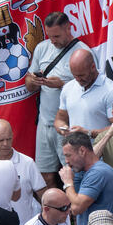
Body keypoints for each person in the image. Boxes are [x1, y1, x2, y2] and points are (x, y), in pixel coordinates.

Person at [26, 11, 92, 187]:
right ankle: (55, 211)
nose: (53, 40)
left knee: (73, 174)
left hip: (68, 126)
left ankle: (74, 212)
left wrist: (62, 85)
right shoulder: (42, 48)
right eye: (50, 36)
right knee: (45, 175)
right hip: (44, 123)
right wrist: (33, 81)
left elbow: (91, 87)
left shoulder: (82, 52)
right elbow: (28, 84)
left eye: (56, 36)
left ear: (68, 28)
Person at [0, 118, 46, 225]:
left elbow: (44, 196)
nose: (5, 144)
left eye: (9, 139)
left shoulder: (27, 163)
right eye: (0, 140)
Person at [59, 132, 113, 225]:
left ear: (82, 151)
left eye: (68, 155)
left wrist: (68, 182)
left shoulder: (97, 173)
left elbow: (77, 208)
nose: (66, 161)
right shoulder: (86, 172)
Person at [54, 49, 113, 140]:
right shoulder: (68, 88)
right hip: (75, 151)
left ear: (93, 67)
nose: (78, 79)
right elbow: (60, 119)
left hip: (102, 152)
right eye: (75, 76)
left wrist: (88, 133)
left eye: (81, 75)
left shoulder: (112, 91)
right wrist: (63, 129)